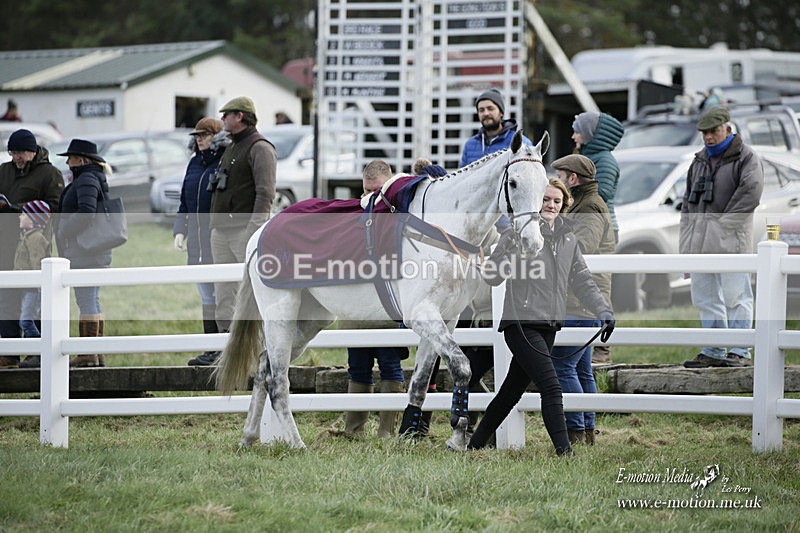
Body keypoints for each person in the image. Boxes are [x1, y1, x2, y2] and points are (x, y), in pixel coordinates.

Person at [467, 178, 615, 455]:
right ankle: (564, 451)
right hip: (521, 324)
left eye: (557, 201)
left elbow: (583, 280)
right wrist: (491, 264)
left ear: (564, 205)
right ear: (536, 202)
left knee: (510, 392)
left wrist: (604, 310)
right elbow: (494, 278)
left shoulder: (568, 239)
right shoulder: (515, 234)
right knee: (551, 386)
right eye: (546, 199)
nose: (551, 205)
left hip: (549, 325)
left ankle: (474, 445)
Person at [193, 97, 276, 366]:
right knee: (224, 294)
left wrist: (254, 231)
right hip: (222, 231)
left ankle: (259, 353)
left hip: (245, 232)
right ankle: (224, 352)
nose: (223, 120)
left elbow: (266, 193)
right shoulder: (232, 146)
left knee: (252, 293)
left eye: (227, 115)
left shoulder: (260, 147)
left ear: (240, 116)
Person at [681, 107, 763, 368]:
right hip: (700, 245)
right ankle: (714, 349)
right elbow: (687, 205)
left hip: (732, 244)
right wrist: (685, 249)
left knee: (736, 297)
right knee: (705, 299)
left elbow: (750, 197)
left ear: (728, 128)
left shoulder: (747, 157)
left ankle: (740, 351)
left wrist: (719, 229)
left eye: (713, 131)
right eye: (704, 132)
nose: (708, 137)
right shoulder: (699, 161)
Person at [550, 154, 615, 445]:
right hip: (584, 297)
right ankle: (587, 431)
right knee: (581, 368)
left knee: (563, 365)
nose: (559, 180)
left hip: (579, 298)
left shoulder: (589, 206)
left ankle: (576, 430)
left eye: (561, 175)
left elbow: (583, 246)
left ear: (572, 179)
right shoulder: (584, 204)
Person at [342, 160, 407, 437]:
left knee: (390, 365)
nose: (371, 197)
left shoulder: (399, 218)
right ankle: (354, 430)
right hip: (356, 308)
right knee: (357, 367)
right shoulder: (353, 217)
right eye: (366, 190)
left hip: (386, 306)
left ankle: (386, 432)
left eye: (377, 191)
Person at [0, 129, 63, 368]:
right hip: (4, 245)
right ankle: (9, 353)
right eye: (12, 152)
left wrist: (17, 208)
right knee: (5, 300)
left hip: (33, 247)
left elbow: (55, 207)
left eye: (20, 153)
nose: (16, 157)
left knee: (33, 301)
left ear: (33, 152)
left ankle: (36, 352)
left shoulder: (50, 174)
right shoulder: (3, 172)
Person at [174, 118, 231, 366]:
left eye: (204, 135)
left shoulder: (224, 161)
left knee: (223, 296)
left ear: (215, 136)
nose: (199, 139)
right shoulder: (194, 163)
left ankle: (226, 349)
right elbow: (185, 203)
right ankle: (211, 349)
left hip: (218, 239)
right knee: (206, 297)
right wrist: (180, 230)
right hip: (196, 241)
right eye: (196, 135)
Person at [55, 139, 116, 367]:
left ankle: (88, 353)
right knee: (92, 299)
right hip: (92, 252)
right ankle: (94, 352)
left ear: (80, 160)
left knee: (86, 300)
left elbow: (87, 211)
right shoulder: (91, 177)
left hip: (86, 252)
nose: (68, 162)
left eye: (70, 158)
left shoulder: (87, 179)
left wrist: (64, 229)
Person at [571, 111, 624, 364]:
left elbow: (599, 193)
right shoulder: (588, 157)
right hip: (583, 223)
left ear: (590, 133)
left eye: (578, 130)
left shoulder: (605, 161)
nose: (573, 135)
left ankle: (603, 349)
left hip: (602, 227)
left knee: (599, 283)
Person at [15, 201, 52, 368]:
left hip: (34, 289)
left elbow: (38, 265)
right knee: (29, 319)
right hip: (28, 288)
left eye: (23, 214)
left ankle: (38, 352)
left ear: (33, 219)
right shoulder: (28, 236)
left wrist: (39, 288)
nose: (20, 216)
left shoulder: (36, 239)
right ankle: (36, 352)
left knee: (26, 321)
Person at [460, 88, 532, 168]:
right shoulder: (470, 145)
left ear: (501, 112)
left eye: (490, 109)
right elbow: (462, 178)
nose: (486, 113)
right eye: (481, 110)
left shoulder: (521, 143)